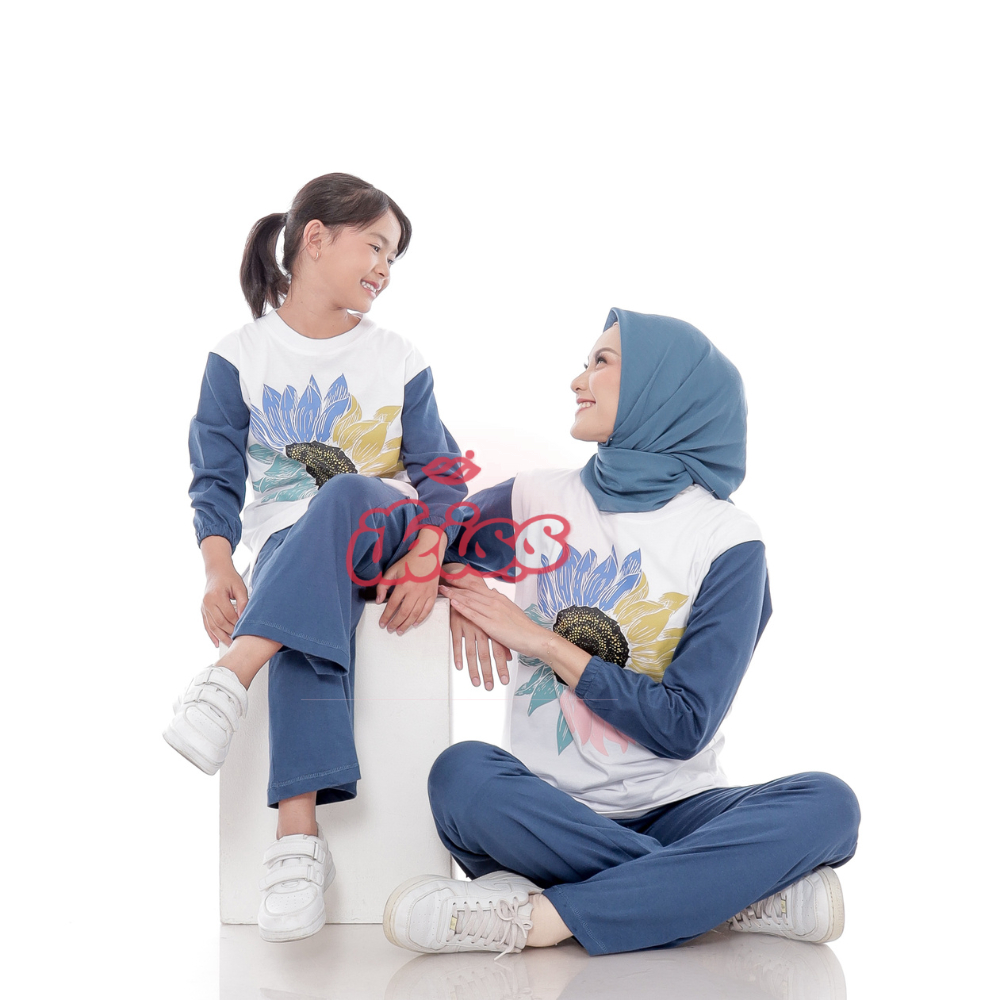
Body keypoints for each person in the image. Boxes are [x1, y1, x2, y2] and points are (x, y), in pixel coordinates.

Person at [382, 308, 861, 957]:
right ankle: (725, 894)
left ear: (660, 388)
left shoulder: (727, 540)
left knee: (830, 805)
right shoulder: (535, 500)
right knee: (461, 776)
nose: (578, 380)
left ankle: (544, 917)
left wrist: (542, 642)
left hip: (683, 810)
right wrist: (456, 575)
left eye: (601, 362)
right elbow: (418, 540)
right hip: (549, 810)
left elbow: (683, 725)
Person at [162, 172, 471, 942]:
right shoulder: (240, 355)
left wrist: (428, 550)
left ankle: (231, 677)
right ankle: (297, 842)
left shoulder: (397, 356)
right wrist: (217, 565)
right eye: (376, 247)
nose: (385, 269)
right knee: (301, 585)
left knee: (344, 493)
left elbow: (440, 473)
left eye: (394, 257)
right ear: (316, 238)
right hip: (290, 552)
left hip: (386, 528)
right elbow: (215, 476)